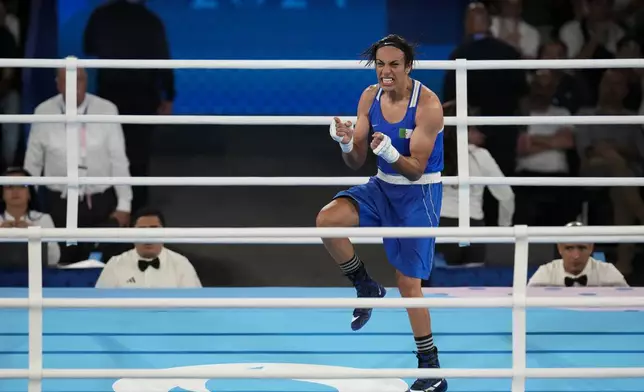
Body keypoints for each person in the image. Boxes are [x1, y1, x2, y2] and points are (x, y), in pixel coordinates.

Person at [316, 34, 447, 392]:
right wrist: (346, 141)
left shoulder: (428, 106)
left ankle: (431, 370)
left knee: (408, 284)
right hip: (381, 186)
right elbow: (356, 160)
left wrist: (390, 152)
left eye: (393, 64)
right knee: (327, 220)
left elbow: (416, 168)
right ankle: (365, 285)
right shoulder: (369, 96)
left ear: (407, 66)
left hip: (418, 195)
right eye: (380, 64)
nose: (385, 72)